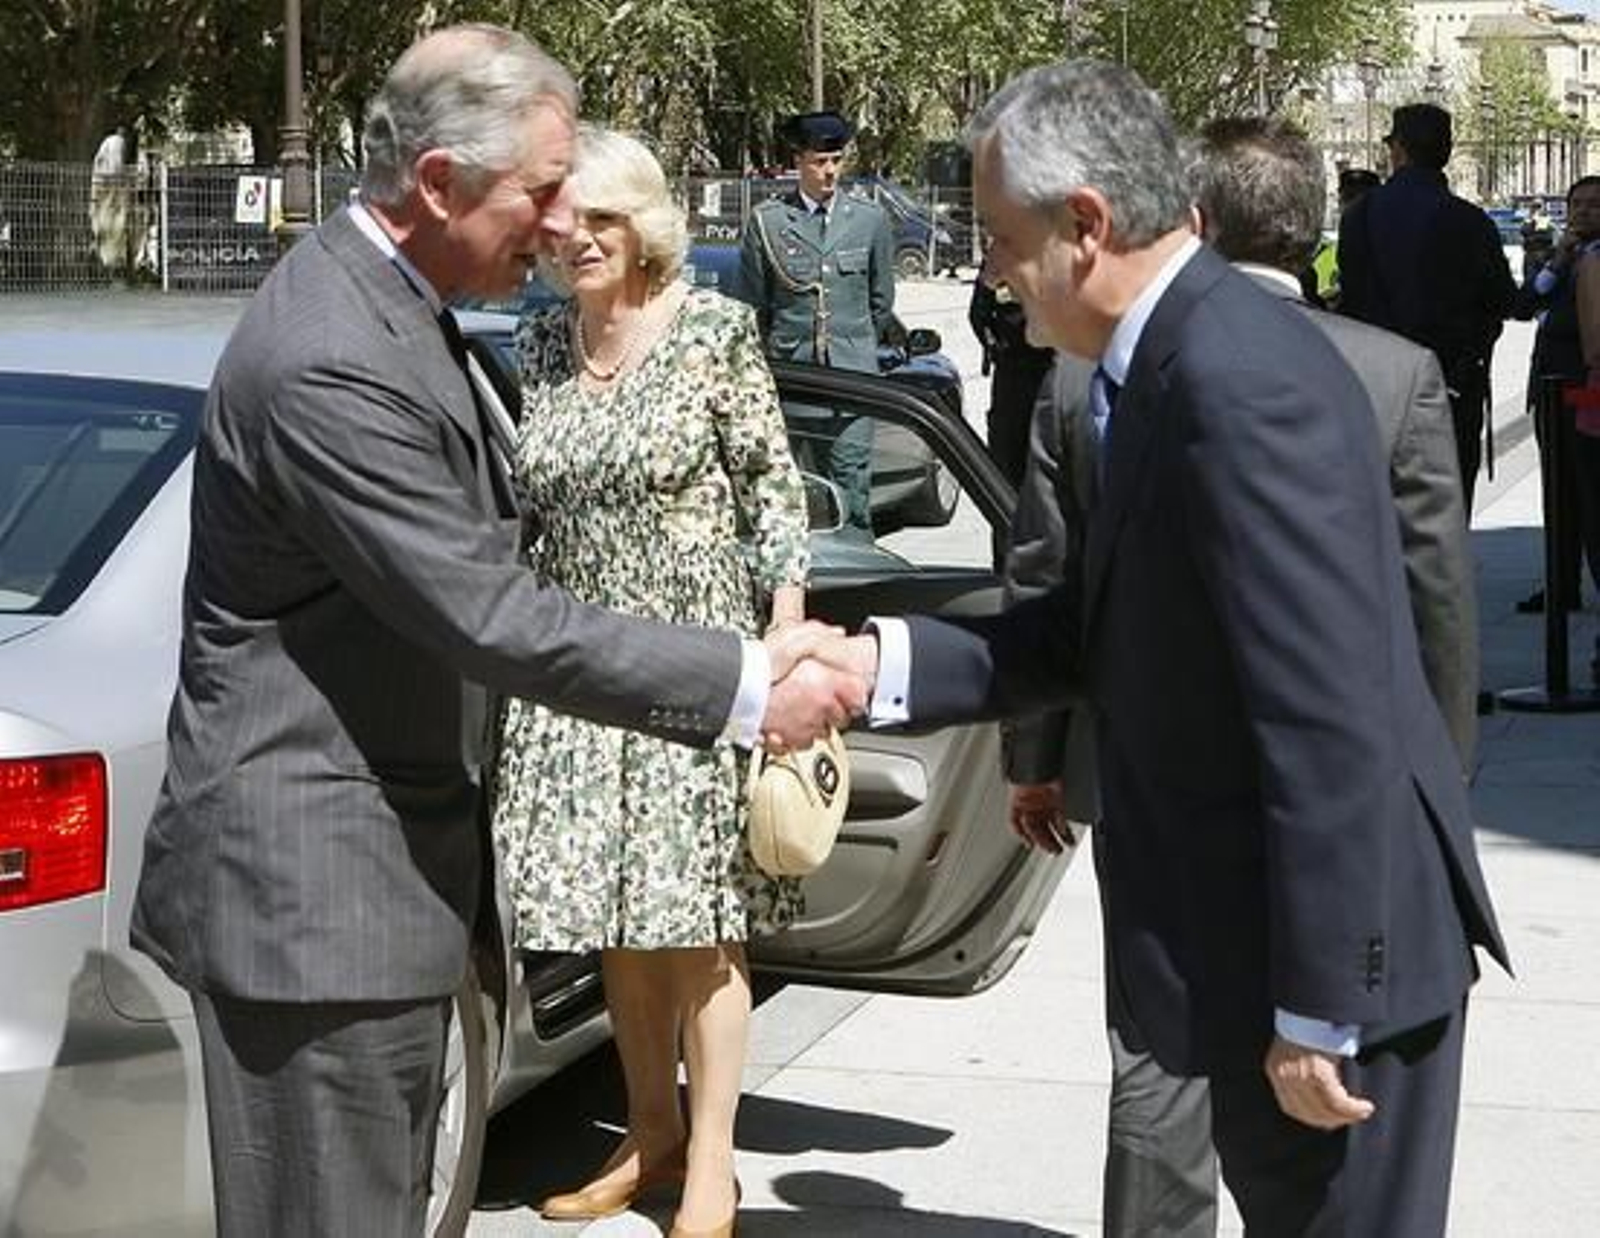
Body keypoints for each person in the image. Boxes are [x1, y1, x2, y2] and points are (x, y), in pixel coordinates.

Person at [127, 27, 861, 1237]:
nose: (557, 218)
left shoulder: (398, 310)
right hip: (318, 917)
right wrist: (742, 681)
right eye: (538, 189)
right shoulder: (332, 357)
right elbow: (487, 609)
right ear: (436, 185)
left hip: (377, 900)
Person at [828, 60, 1509, 1235]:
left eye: (997, 236)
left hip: (1327, 983)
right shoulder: (1155, 365)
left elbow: (1328, 712)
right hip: (1234, 944)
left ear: (1084, 226)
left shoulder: (1236, 380)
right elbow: (1093, 632)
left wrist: (1316, 1009)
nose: (985, 268)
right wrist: (871, 664)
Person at [1001, 115, 1483, 1238]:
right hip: (1349, 832)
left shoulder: (1082, 386)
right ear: (1311, 231)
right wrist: (1429, 805)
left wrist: (1035, 763)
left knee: (1156, 1061)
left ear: (1197, 222)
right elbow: (1435, 621)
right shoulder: (1390, 372)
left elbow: (1043, 575)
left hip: (1160, 799)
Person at [491, 127, 809, 1238]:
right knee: (616, 922)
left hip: (694, 662)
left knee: (700, 919)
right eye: (565, 221)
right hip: (576, 660)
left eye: (602, 219)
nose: (578, 238)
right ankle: (648, 1131)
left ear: (643, 226)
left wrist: (784, 636)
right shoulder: (536, 345)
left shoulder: (714, 331)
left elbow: (772, 486)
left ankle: (712, 1158)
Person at [1338, 102, 1518, 514]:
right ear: (1448, 151)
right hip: (1450, 385)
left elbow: (1353, 301)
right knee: (1446, 517)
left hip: (1376, 388)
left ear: (1396, 150)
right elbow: (1505, 300)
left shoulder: (1359, 216)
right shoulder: (1469, 220)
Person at [732, 109, 895, 535]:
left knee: (852, 484)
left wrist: (855, 350)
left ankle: (858, 579)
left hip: (853, 382)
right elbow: (753, 308)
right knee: (790, 491)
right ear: (798, 163)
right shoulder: (768, 223)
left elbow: (880, 303)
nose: (829, 172)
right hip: (793, 380)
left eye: (836, 161)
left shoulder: (869, 221)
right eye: (819, 162)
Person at [1513, 175, 1600, 616]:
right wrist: (1556, 264)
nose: (1584, 212)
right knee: (1558, 494)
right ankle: (1561, 583)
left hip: (1584, 394)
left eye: (1594, 205)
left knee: (1590, 497)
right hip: (1548, 390)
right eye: (1577, 203)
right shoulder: (1562, 258)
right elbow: (1523, 304)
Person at [968, 255, 1055, 490]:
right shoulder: (1002, 256)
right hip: (1011, 376)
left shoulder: (1063, 253)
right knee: (1006, 464)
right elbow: (978, 315)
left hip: (1052, 373)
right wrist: (996, 348)